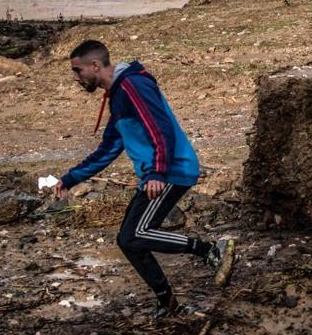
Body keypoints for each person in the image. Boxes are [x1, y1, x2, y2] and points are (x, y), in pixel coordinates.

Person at [52, 40, 235, 320]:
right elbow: (108, 149)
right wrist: (69, 179)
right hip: (157, 174)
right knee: (128, 240)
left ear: (95, 66)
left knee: (135, 234)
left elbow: (160, 128)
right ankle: (169, 303)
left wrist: (157, 172)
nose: (76, 78)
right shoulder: (118, 96)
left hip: (171, 171)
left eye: (78, 71)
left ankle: (210, 249)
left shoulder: (133, 86)